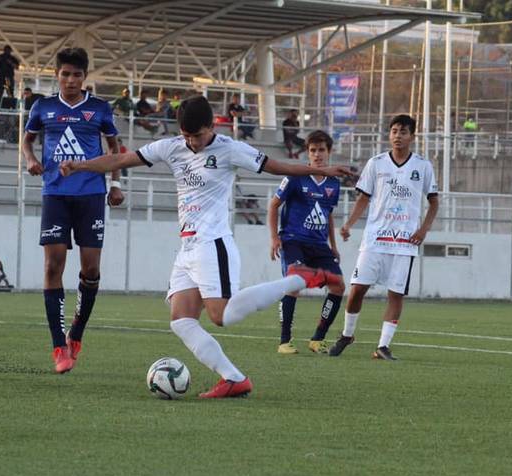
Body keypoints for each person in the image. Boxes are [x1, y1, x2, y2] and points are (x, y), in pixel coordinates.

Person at [59, 95, 351, 398]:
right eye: (187, 135)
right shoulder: (171, 147)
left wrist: (324, 171)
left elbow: (276, 166)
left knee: (221, 316)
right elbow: (120, 159)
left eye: (197, 135)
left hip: (213, 243)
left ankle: (299, 278)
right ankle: (234, 379)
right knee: (181, 320)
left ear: (211, 126)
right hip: (187, 247)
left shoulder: (229, 149)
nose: (192, 142)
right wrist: (80, 165)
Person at [22, 47, 124, 374]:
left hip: (91, 194)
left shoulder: (99, 109)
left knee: (90, 270)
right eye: (65, 74)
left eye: (76, 75)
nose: (70, 80)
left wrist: (116, 184)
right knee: (53, 265)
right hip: (55, 193)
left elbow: (115, 149)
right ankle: (58, 347)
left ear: (84, 77)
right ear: (57, 75)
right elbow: (26, 141)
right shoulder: (43, 107)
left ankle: (76, 332)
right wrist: (31, 160)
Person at [329, 115, 439, 360]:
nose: (397, 136)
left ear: (412, 136)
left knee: (395, 293)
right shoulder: (376, 163)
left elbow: (433, 201)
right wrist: (349, 223)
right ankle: (347, 334)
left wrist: (423, 229)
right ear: (389, 134)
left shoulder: (422, 166)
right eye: (394, 131)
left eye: (403, 132)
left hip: (405, 241)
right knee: (357, 289)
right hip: (376, 238)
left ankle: (382, 346)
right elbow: (363, 197)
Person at [268, 130, 345, 354]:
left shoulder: (334, 183)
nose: (317, 155)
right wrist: (274, 238)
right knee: (294, 284)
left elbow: (328, 214)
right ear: (308, 153)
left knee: (338, 286)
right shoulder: (295, 177)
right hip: (293, 240)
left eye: (322, 150)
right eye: (313, 150)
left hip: (319, 245)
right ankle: (284, 341)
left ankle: (317, 339)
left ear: (329, 152)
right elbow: (274, 205)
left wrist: (333, 245)